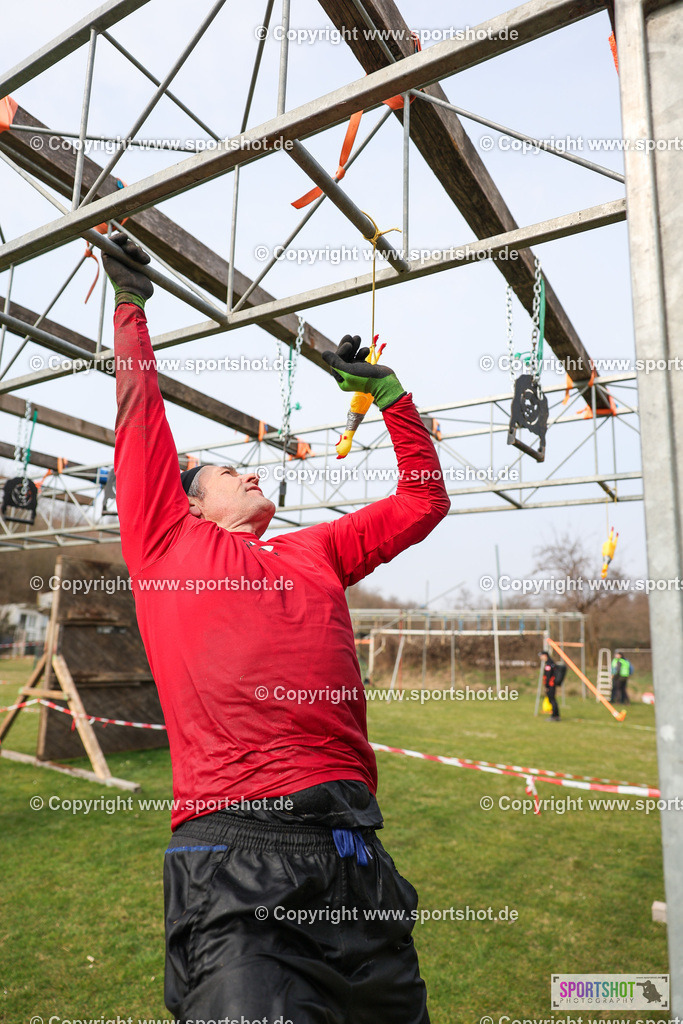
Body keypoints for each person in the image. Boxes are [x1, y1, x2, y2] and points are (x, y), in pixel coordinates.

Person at [104, 233, 450, 1024]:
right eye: (230, 470)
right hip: (237, 857)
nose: (253, 469)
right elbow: (138, 418)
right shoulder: (166, 542)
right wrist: (130, 305)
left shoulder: (314, 549)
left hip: (353, 852)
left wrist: (394, 400)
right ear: (187, 500)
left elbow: (421, 504)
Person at [540, 651, 560, 721]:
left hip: (550, 685)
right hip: (551, 684)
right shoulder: (551, 662)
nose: (540, 657)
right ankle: (555, 715)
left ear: (545, 655)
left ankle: (555, 716)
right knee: (552, 700)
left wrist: (547, 686)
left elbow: (548, 676)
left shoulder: (549, 664)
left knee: (552, 700)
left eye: (541, 655)